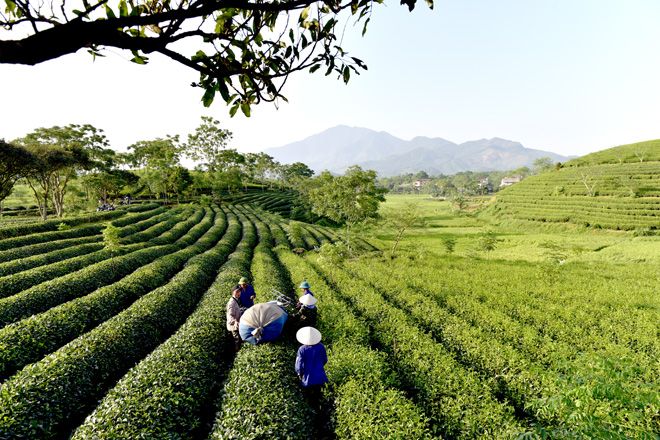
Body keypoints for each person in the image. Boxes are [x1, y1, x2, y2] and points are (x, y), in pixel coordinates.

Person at [295, 327, 328, 412]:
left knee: (309, 398)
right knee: (318, 396)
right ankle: (320, 411)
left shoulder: (302, 349)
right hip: (320, 377)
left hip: (307, 378)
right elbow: (325, 360)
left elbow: (299, 365)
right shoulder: (321, 347)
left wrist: (300, 374)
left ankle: (311, 412)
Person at [226, 285, 243, 351]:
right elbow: (230, 315)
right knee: (237, 343)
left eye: (239, 291)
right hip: (234, 326)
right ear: (233, 292)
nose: (239, 293)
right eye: (237, 292)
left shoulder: (236, 300)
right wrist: (235, 322)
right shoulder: (232, 303)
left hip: (238, 325)